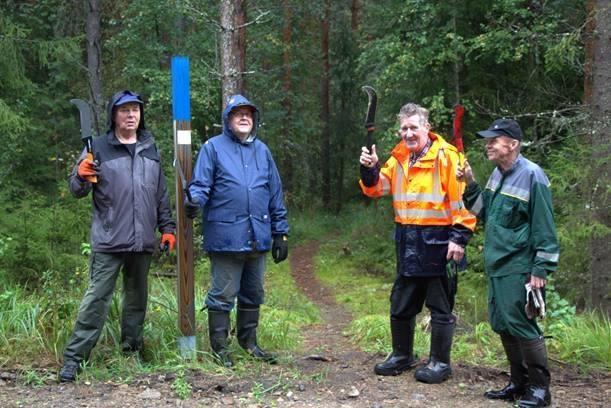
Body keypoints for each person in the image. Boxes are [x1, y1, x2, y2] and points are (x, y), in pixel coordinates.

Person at [59, 90, 176, 382]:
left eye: (135, 109)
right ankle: (74, 359)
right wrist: (81, 174)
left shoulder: (150, 147)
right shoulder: (97, 147)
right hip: (109, 240)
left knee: (136, 300)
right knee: (96, 300)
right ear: (114, 115)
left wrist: (168, 228)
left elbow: (160, 193)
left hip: (142, 241)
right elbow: (76, 190)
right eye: (124, 110)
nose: (131, 115)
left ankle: (131, 352)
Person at [359, 103, 476, 383]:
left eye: (414, 127)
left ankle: (439, 363)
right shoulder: (398, 158)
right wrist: (370, 168)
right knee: (400, 303)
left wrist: (459, 238)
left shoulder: (448, 157)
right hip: (408, 243)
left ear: (427, 127)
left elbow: (464, 202)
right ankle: (402, 355)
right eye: (404, 128)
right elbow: (376, 188)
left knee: (440, 307)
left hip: (440, 244)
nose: (409, 133)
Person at [458, 118, 558, 407]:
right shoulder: (497, 174)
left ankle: (540, 390)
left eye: (494, 139)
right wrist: (470, 183)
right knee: (503, 324)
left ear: (513, 144)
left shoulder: (532, 175)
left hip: (519, 265)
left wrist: (541, 268)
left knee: (522, 324)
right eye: (487, 139)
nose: (488, 144)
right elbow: (483, 213)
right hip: (497, 265)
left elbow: (545, 227)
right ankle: (518, 383)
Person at [185, 94, 289, 367]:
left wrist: (281, 232)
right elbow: (201, 184)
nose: (244, 117)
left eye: (249, 114)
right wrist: (194, 201)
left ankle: (249, 343)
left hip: (258, 235)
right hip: (226, 237)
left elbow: (274, 193)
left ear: (254, 121)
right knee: (222, 295)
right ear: (228, 120)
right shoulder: (213, 148)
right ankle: (220, 348)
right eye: (238, 113)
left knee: (253, 292)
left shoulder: (262, 151)